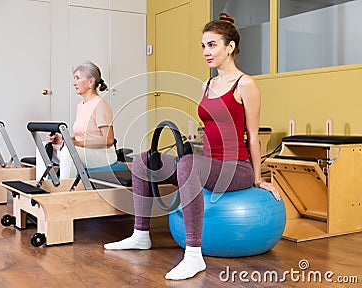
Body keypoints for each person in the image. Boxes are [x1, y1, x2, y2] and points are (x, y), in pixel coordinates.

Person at [104, 13, 281, 280]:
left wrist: (257, 178)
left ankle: (194, 256)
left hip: (236, 168)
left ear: (230, 47)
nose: (206, 52)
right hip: (209, 166)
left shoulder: (246, 84)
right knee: (143, 160)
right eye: (203, 46)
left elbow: (253, 136)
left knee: (188, 163)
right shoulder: (206, 84)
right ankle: (140, 235)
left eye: (212, 45)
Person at [43, 61, 117, 178]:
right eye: (74, 79)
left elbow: (108, 140)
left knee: (69, 152)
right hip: (84, 150)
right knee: (45, 146)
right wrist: (63, 140)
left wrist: (75, 143)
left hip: (102, 155)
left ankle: (65, 190)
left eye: (77, 78)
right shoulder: (81, 105)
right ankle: (41, 188)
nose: (74, 83)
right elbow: (81, 136)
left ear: (91, 81)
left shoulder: (100, 104)